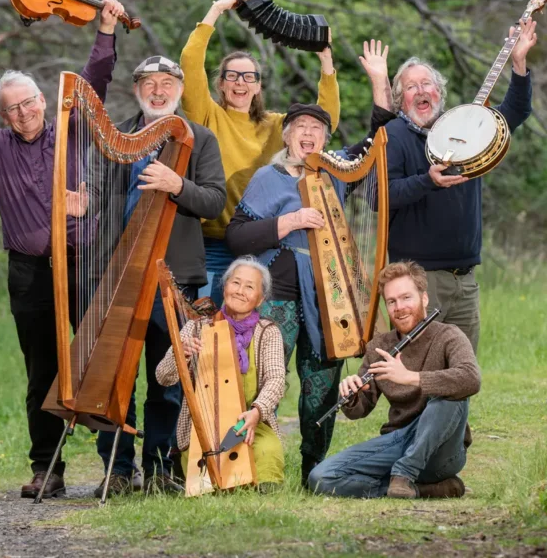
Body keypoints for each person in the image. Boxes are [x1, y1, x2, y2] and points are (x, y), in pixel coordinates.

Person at [0, 0, 126, 499]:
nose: (23, 112)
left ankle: (118, 466)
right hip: (30, 274)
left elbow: (92, 84)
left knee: (102, 361)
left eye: (29, 102)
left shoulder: (75, 130)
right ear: (3, 115)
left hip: (84, 266)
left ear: (41, 100)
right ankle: (48, 469)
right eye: (12, 107)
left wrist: (104, 31)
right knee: (42, 374)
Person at [84, 55, 226, 496]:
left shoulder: (199, 139)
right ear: (137, 89)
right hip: (117, 275)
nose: (159, 91)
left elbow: (215, 201)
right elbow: (93, 197)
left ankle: (162, 468)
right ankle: (118, 471)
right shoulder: (115, 137)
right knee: (113, 378)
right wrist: (80, 203)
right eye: (150, 84)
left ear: (180, 89)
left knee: (167, 379)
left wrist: (176, 184)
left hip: (174, 278)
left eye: (167, 83)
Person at [361, 21, 538, 353]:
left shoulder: (466, 128)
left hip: (465, 277)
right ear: (401, 100)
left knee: (461, 373)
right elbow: (377, 196)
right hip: (418, 279)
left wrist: (518, 62)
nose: (422, 91)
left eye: (427, 83)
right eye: (411, 87)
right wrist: (427, 181)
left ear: (438, 93)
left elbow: (514, 112)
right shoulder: (394, 136)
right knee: (419, 372)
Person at [224, 103, 359, 485]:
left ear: (324, 141)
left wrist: (377, 82)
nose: (308, 132)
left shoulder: (335, 176)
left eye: (317, 128)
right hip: (277, 294)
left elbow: (373, 144)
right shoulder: (268, 177)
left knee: (322, 385)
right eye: (300, 126)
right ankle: (247, 463)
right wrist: (291, 221)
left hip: (327, 296)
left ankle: (314, 470)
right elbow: (236, 238)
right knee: (265, 377)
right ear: (287, 136)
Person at [179, 0, 341, 302]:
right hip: (212, 244)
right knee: (207, 324)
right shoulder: (207, 114)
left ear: (258, 86)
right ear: (221, 83)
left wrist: (326, 61)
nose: (240, 82)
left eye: (248, 76)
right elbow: (190, 61)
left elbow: (325, 119)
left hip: (259, 245)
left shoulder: (276, 126)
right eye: (232, 76)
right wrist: (216, 9)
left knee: (249, 332)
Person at [307, 260, 480, 499]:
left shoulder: (449, 336)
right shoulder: (380, 347)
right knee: (321, 478)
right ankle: (424, 489)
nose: (400, 307)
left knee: (450, 394)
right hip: (398, 442)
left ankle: (404, 473)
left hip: (442, 450)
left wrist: (411, 378)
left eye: (406, 298)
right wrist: (350, 396)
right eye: (392, 301)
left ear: (424, 298)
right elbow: (359, 410)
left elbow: (471, 379)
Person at [155, 257, 287, 490]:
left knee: (267, 452)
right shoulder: (197, 326)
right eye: (235, 283)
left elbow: (276, 380)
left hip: (249, 423)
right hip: (202, 429)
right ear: (224, 287)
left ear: (261, 298)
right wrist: (181, 354)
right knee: (203, 475)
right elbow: (163, 377)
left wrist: (257, 412)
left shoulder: (268, 332)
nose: (240, 291)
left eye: (249, 287)